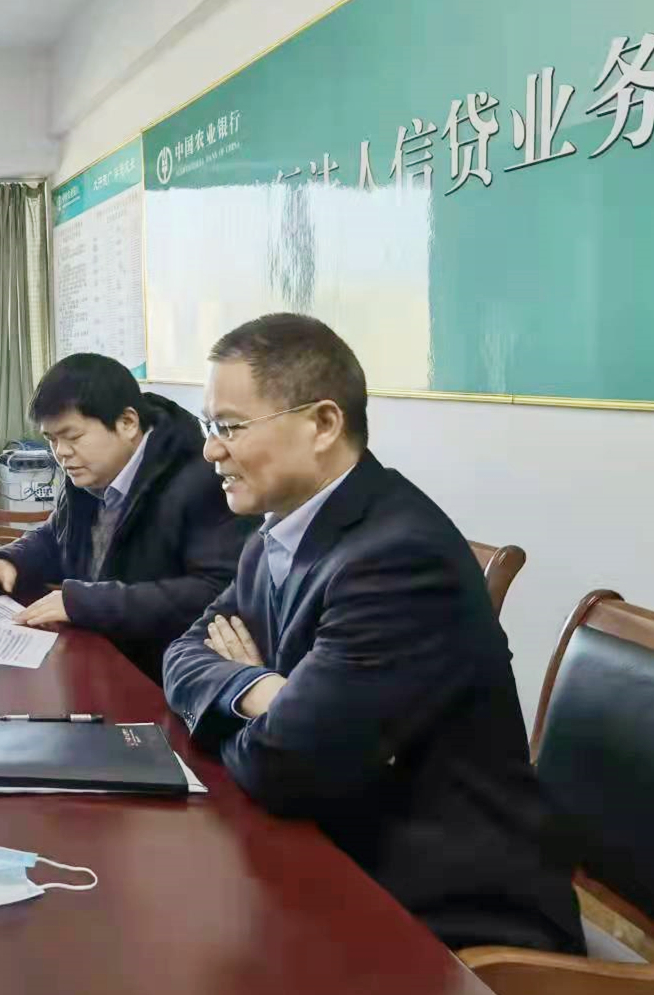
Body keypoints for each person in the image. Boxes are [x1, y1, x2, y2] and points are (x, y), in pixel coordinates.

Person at [162, 313, 582, 953]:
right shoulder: (276, 533)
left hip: (445, 905)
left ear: (323, 424)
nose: (210, 451)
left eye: (230, 427)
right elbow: (182, 654)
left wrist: (256, 708)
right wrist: (264, 690)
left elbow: (286, 768)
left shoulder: (399, 558)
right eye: (208, 427)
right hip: (335, 847)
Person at [0, 352, 256, 682]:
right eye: (52, 439)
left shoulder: (199, 480)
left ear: (127, 423)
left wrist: (88, 602)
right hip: (100, 656)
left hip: (164, 675)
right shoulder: (89, 470)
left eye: (73, 437)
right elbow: (58, 535)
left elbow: (215, 592)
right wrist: (10, 560)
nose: (61, 452)